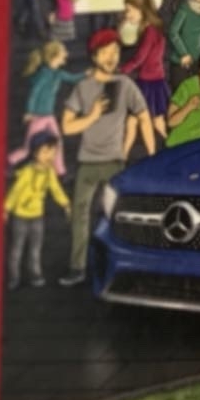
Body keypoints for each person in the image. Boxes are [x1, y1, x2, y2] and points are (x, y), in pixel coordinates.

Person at [59, 29, 154, 286]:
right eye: (105, 52)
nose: (111, 57)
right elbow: (66, 126)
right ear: (94, 56)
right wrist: (91, 116)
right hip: (87, 163)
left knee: (120, 216)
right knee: (80, 216)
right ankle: (77, 267)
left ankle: (124, 266)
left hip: (114, 163)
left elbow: (144, 117)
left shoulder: (125, 85)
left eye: (115, 51)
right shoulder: (83, 87)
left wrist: (151, 155)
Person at [3, 134, 69, 290]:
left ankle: (35, 274)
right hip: (20, 217)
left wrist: (66, 203)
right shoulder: (27, 172)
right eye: (45, 151)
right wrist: (6, 209)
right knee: (17, 248)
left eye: (53, 152)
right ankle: (13, 277)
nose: (50, 156)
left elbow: (56, 189)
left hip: (37, 217)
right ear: (34, 152)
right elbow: (15, 191)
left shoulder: (49, 172)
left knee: (35, 249)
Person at [9, 41, 84, 176]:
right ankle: (9, 161)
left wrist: (87, 74)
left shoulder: (58, 74)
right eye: (63, 52)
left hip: (49, 116)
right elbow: (34, 93)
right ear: (54, 56)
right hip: (38, 117)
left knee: (57, 142)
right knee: (28, 147)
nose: (66, 54)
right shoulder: (43, 74)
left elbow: (72, 78)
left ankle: (60, 171)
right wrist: (29, 111)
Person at [119, 0, 170, 127]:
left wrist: (122, 70)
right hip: (156, 78)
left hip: (148, 81)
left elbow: (139, 58)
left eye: (129, 10)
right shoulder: (153, 29)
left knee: (135, 119)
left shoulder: (149, 32)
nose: (126, 15)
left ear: (140, 10)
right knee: (155, 119)